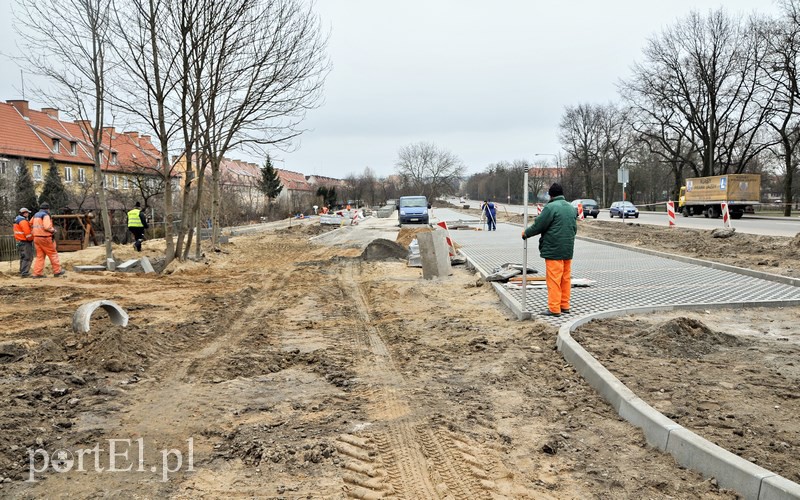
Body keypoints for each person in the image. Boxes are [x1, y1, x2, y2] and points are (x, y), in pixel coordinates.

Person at [521, 183, 577, 317]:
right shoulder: (571, 208)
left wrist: (526, 233)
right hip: (568, 249)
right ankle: (565, 305)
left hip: (554, 249)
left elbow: (539, 225)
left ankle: (554, 308)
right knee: (565, 278)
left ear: (551, 195)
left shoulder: (550, 207)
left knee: (554, 280)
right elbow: (574, 228)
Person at [31, 202, 65, 278]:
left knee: (40, 256)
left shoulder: (35, 215)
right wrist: (53, 230)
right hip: (45, 237)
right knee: (53, 254)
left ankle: (37, 273)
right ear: (48, 209)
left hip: (36, 237)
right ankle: (57, 271)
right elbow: (47, 227)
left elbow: (30, 223)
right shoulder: (45, 215)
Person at [13, 207, 34, 277]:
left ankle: (22, 271)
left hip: (19, 241)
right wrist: (31, 239)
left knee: (23, 256)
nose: (28, 214)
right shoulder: (23, 221)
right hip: (25, 242)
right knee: (28, 257)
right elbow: (27, 233)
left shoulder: (17, 220)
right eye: (27, 213)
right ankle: (25, 272)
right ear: (24, 213)